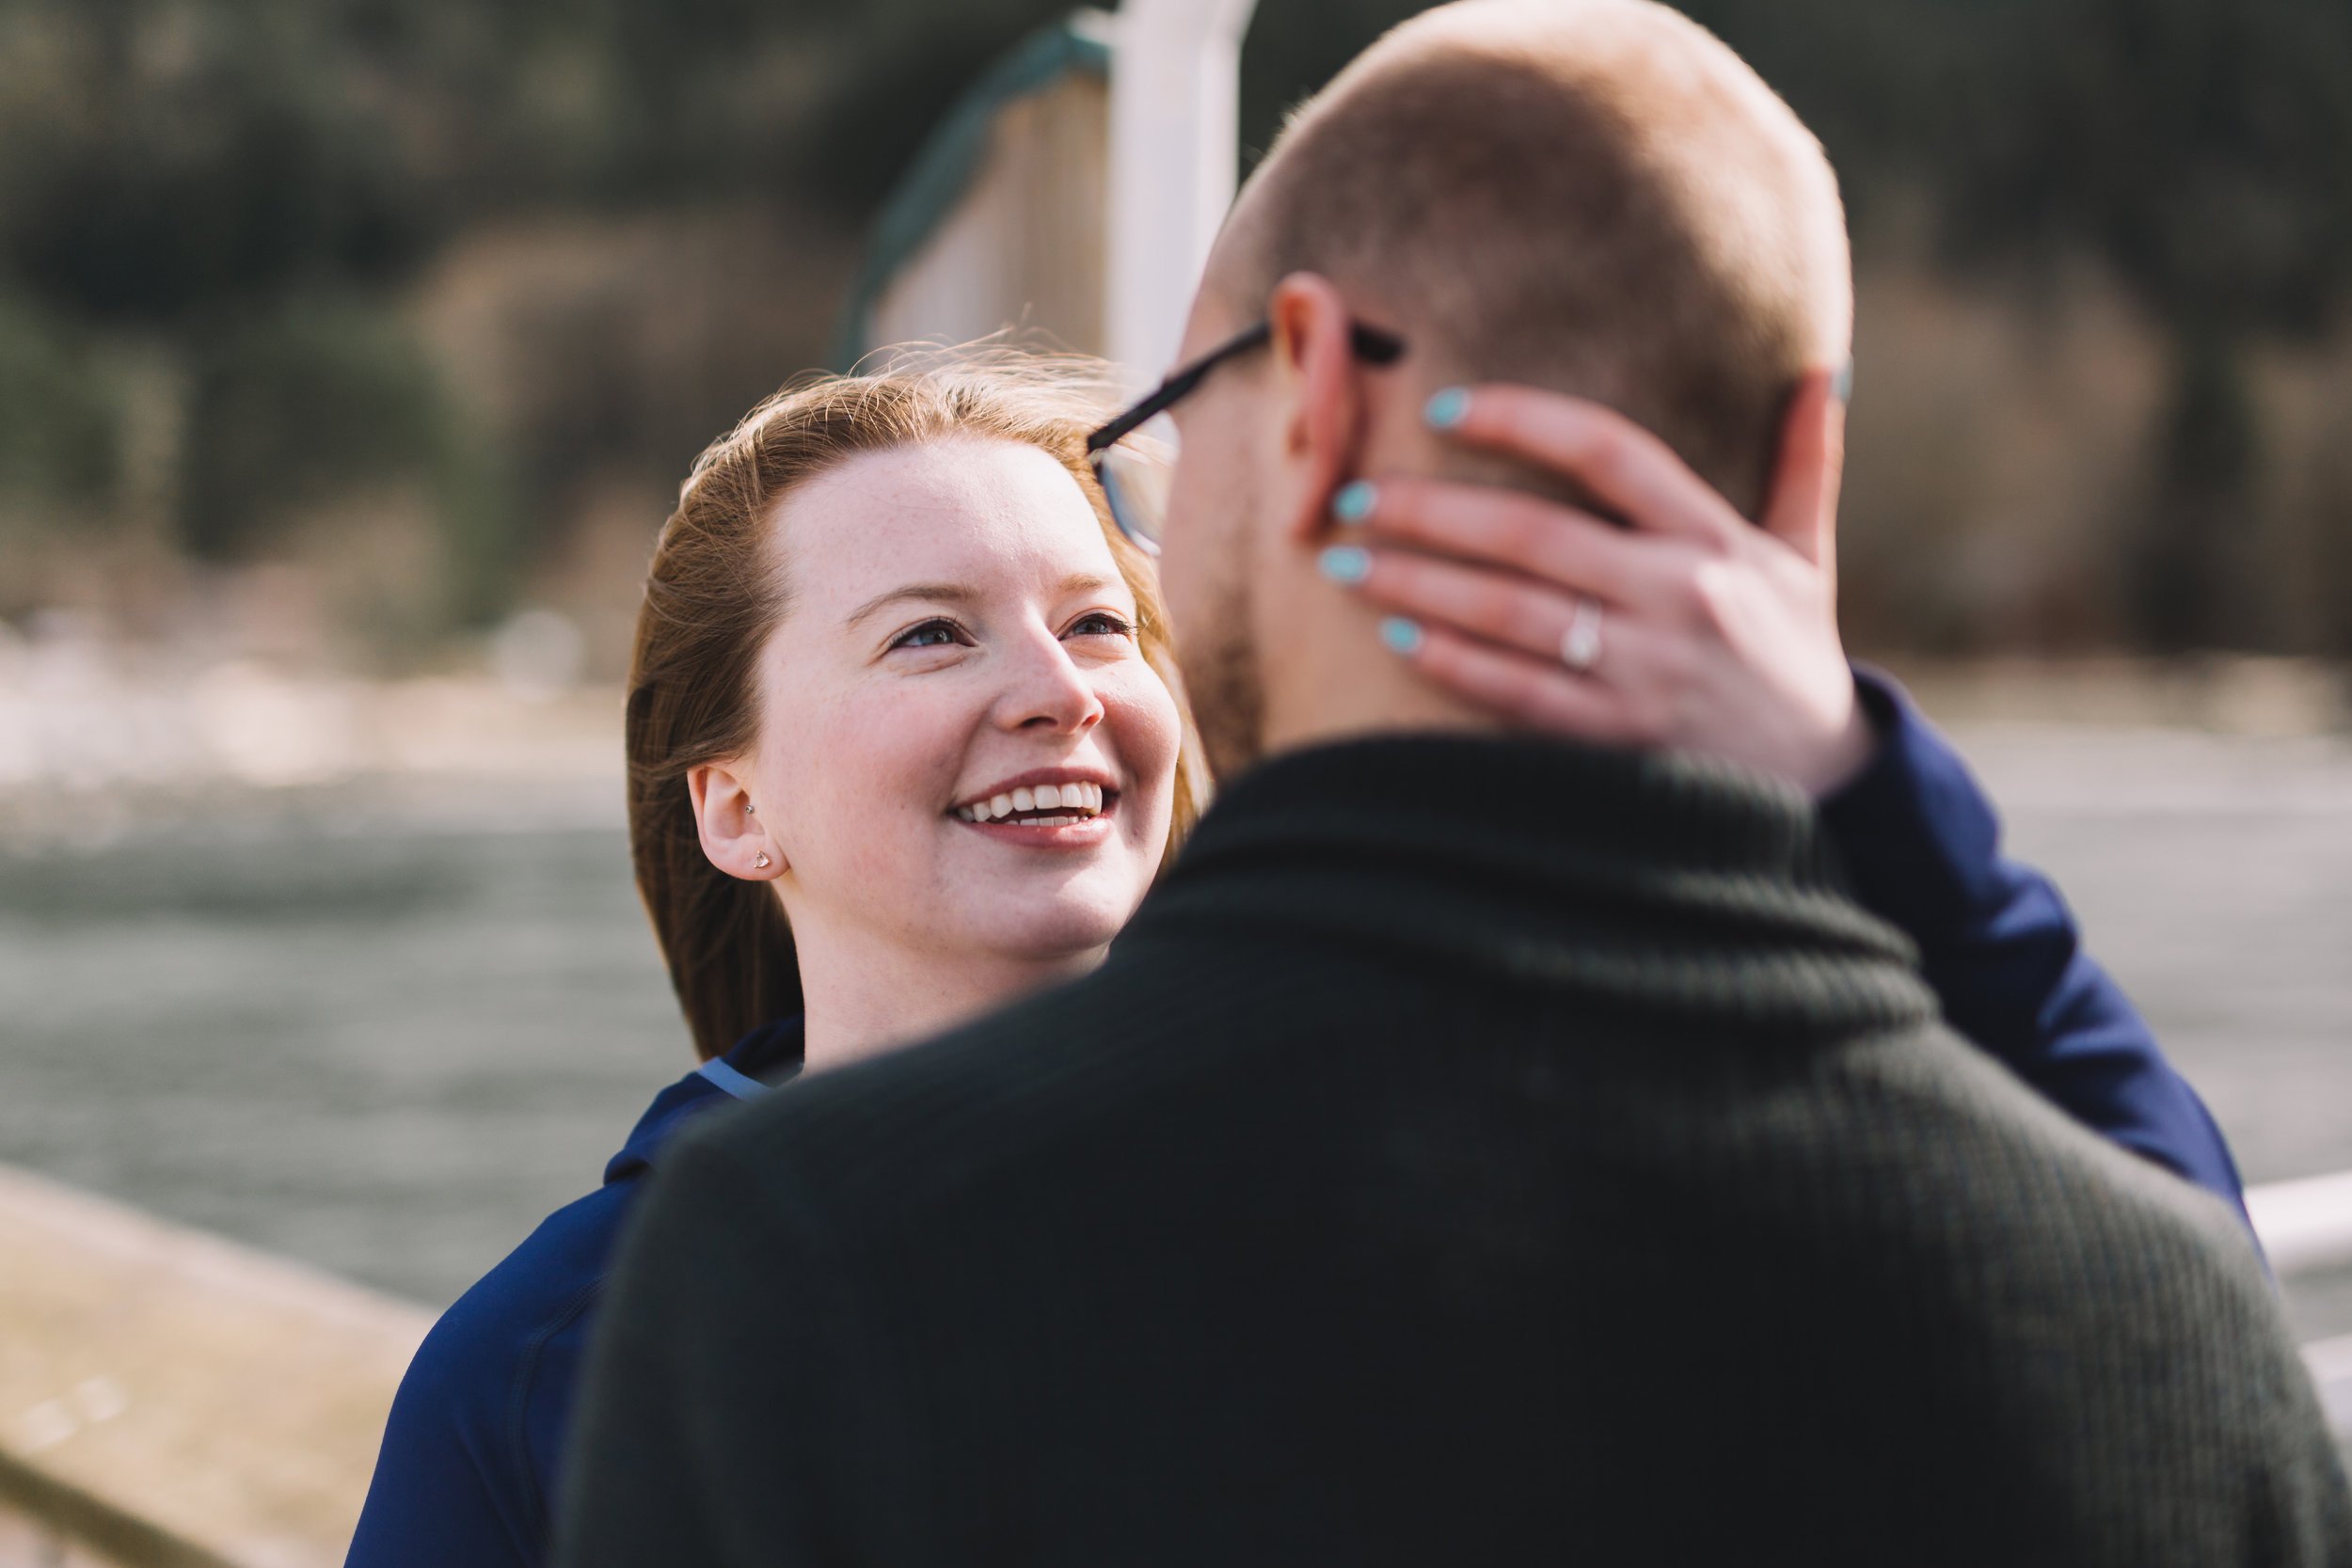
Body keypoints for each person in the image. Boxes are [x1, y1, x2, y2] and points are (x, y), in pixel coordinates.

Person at [553, 3, 2348, 1565]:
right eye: (931, 636)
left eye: (1177, 418)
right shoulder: (2147, 1326)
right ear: (1810, 471)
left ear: (1318, 395)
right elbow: (2182, 1274)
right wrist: (1864, 784)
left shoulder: (809, 1277)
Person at [348, 350, 2249, 1568]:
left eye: (1102, 624)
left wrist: (1839, 760)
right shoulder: (539, 1361)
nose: (1055, 696)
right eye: (929, 637)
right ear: (731, 807)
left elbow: (2152, 1323)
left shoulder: (1433, 1166)